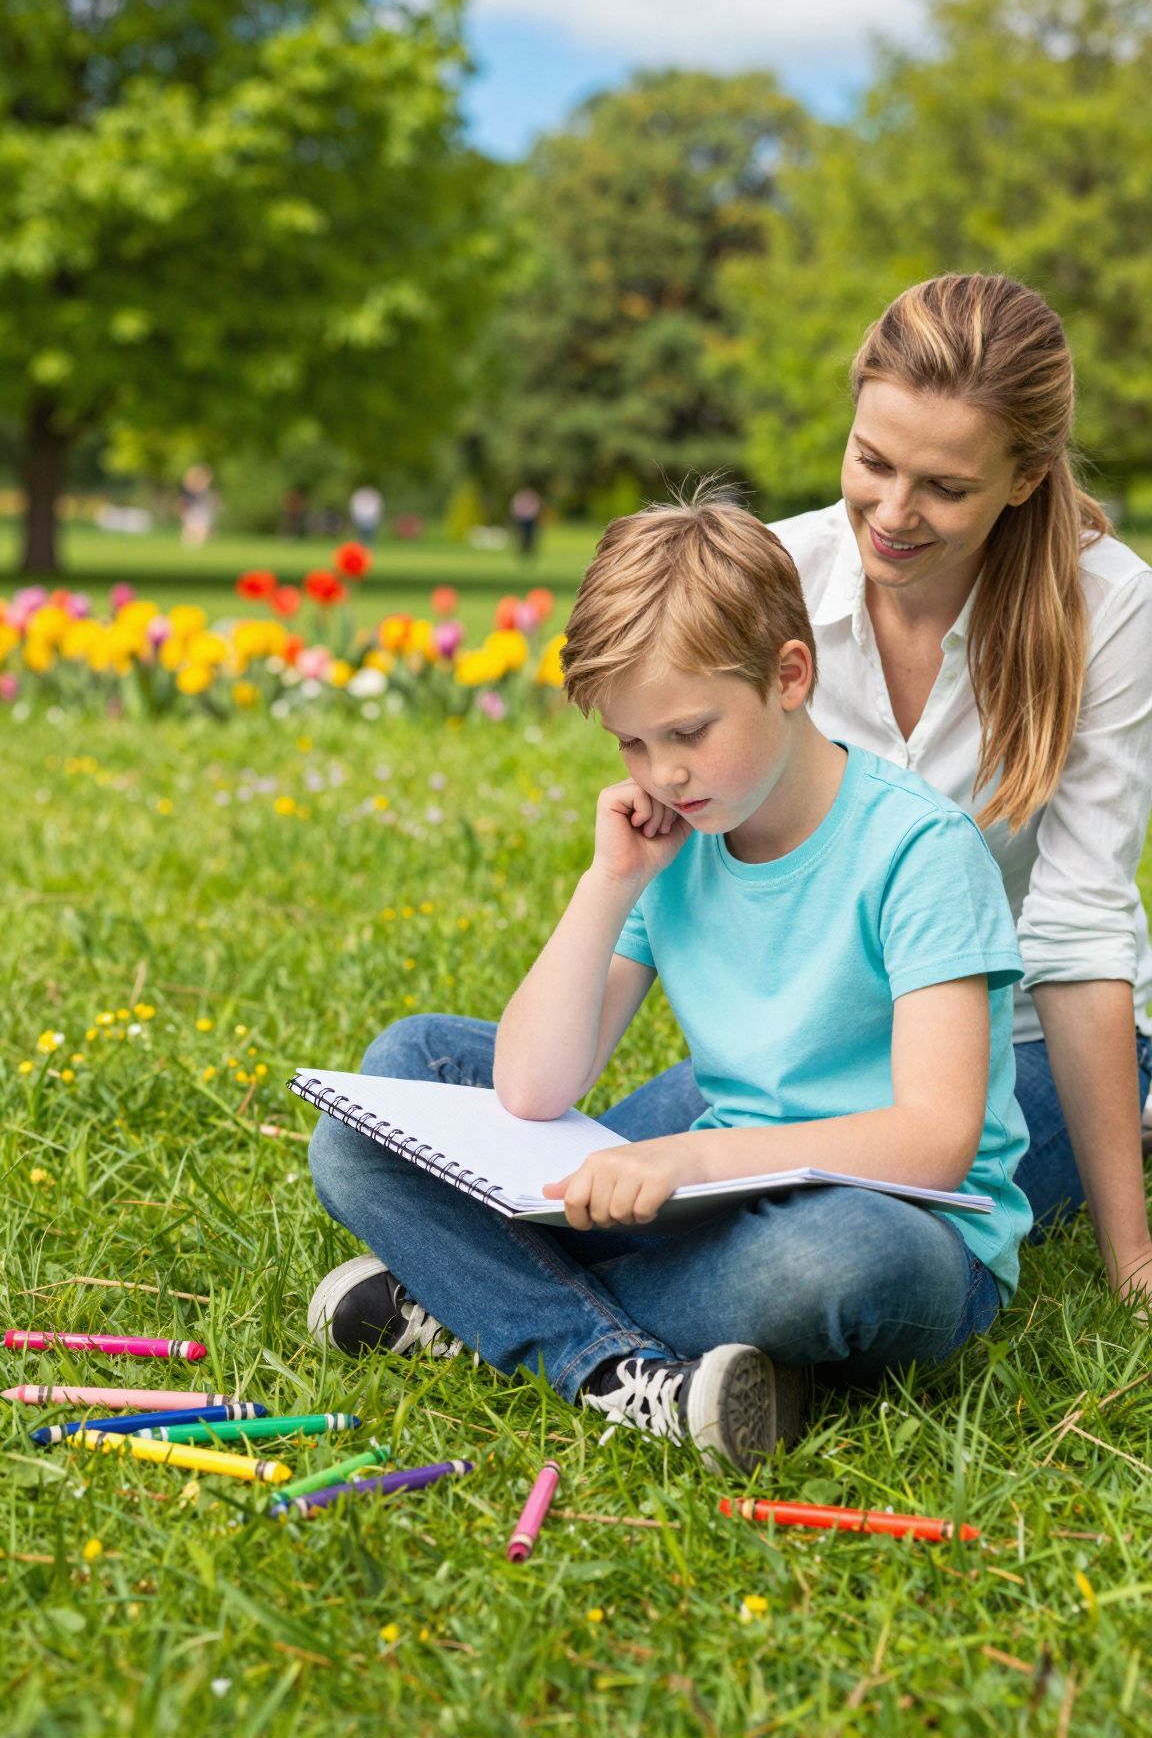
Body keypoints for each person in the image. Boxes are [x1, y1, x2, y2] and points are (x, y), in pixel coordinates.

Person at [306, 490, 1031, 1470]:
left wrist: (689, 1164)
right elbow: (532, 1087)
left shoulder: (919, 851)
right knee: (385, 1095)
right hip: (715, 1189)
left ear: (790, 674)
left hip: (902, 1223)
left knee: (823, 1264)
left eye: (689, 731)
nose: (666, 774)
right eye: (633, 744)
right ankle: (622, 1365)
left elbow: (937, 1143)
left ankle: (477, 1302)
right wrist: (609, 884)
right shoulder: (680, 835)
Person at [767, 273, 1152, 1306]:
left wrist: (1134, 1260)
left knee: (831, 1243)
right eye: (871, 461)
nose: (892, 513)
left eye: (944, 486)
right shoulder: (776, 577)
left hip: (1012, 1046)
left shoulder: (1106, 608)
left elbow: (1077, 932)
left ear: (1026, 478)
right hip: (820, 1040)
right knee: (644, 1176)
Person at [509, 486, 543, 556]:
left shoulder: (532, 497)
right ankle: (522, 549)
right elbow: (514, 507)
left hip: (531, 519)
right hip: (521, 519)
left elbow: (536, 506)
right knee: (521, 535)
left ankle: (530, 549)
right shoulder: (519, 497)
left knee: (531, 535)